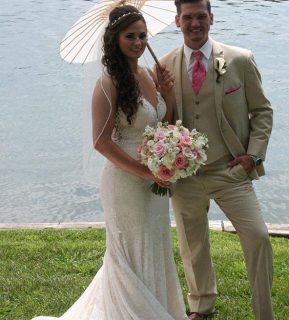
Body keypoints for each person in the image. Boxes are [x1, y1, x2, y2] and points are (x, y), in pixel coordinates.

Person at [32, 5, 188, 320]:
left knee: (154, 247)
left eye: (142, 35)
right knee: (131, 251)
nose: (139, 42)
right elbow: (101, 142)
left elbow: (161, 127)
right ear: (115, 39)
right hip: (125, 183)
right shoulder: (108, 82)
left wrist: (168, 94)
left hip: (153, 180)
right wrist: (145, 170)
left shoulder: (146, 74)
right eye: (130, 36)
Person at [158, 0, 274, 319]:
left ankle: (264, 312)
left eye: (201, 17)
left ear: (211, 18)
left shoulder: (239, 59)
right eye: (188, 18)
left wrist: (252, 155)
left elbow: (262, 112)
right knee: (192, 244)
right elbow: (162, 121)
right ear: (177, 20)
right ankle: (201, 306)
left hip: (231, 171)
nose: (195, 24)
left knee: (259, 237)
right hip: (186, 177)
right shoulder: (163, 66)